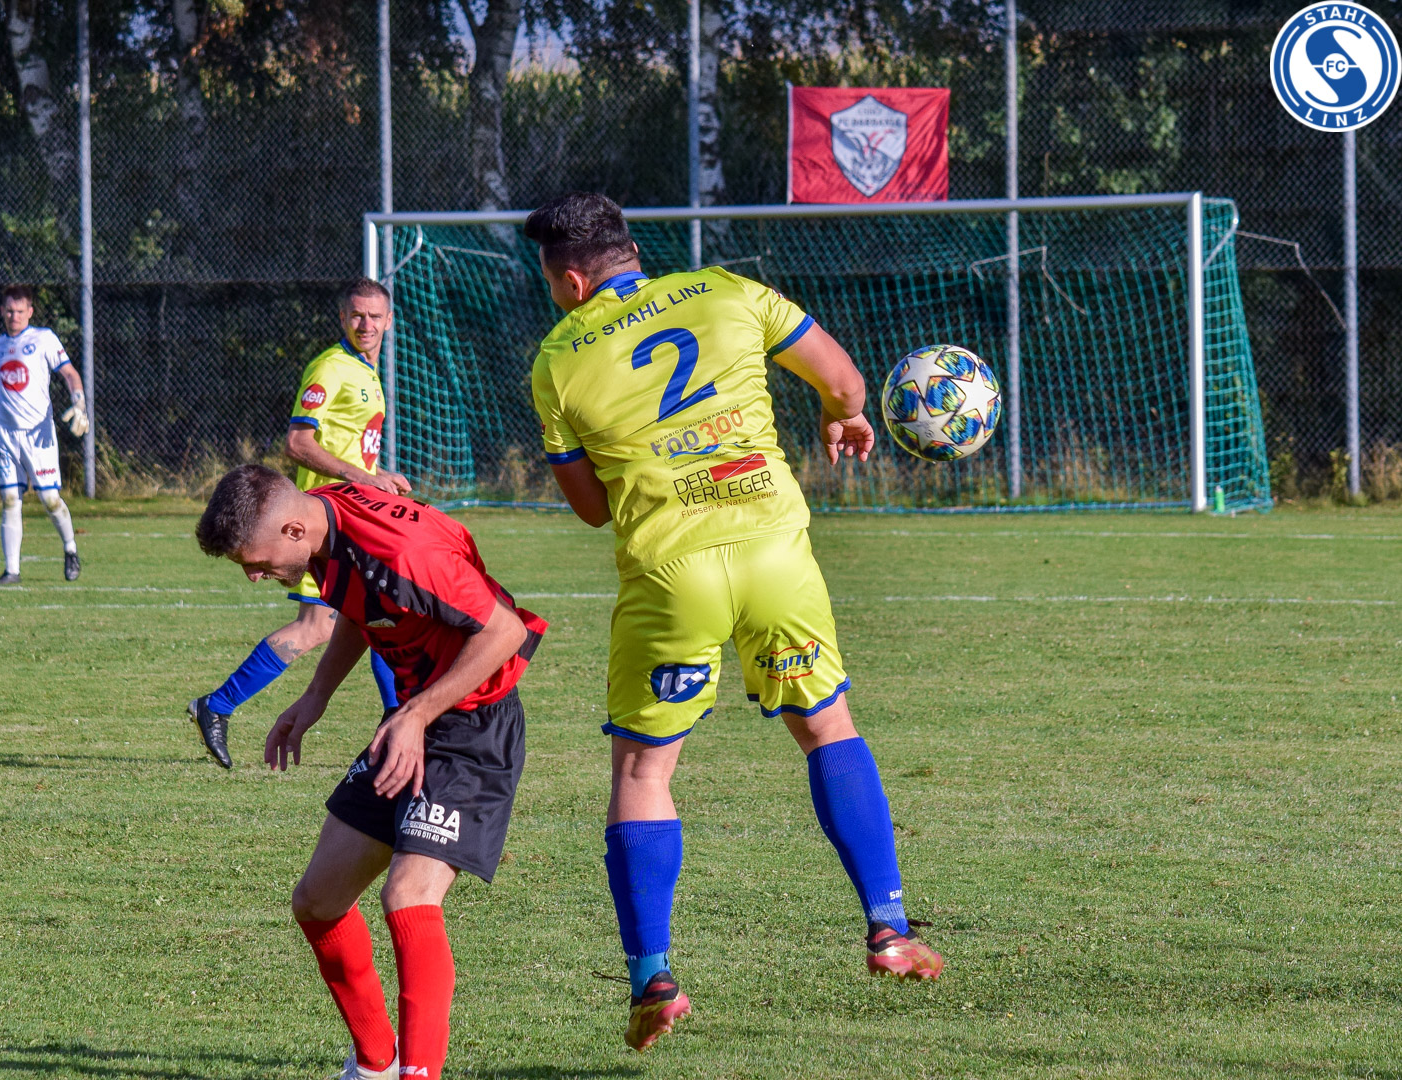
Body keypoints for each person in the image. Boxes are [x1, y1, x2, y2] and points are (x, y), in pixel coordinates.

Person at [525, 192, 944, 1052]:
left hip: (671, 573)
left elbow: (592, 510)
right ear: (631, 251)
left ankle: (654, 978)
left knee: (643, 771)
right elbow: (843, 381)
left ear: (571, 281)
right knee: (828, 728)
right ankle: (889, 929)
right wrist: (844, 415)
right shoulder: (726, 289)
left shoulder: (558, 360)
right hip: (771, 550)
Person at [195, 464, 546, 1080]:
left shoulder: (404, 553)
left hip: (472, 725)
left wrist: (417, 713)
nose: (254, 576)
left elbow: (504, 631)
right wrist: (316, 697)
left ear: (292, 528)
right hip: (412, 718)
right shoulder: (323, 524)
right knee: (318, 901)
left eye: (256, 562)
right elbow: (362, 608)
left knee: (407, 896)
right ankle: (376, 1064)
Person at [187, 279, 410, 768]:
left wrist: (376, 478)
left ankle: (398, 719)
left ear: (389, 321)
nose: (366, 324)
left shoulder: (366, 371)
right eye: (357, 315)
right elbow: (298, 442)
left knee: (373, 611)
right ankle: (218, 705)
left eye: (375, 316)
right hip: (321, 527)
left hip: (352, 517)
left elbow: (350, 446)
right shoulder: (330, 367)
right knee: (339, 620)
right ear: (342, 318)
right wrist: (362, 478)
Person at [0, 285, 87, 586]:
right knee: (10, 498)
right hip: (5, 434)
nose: (14, 316)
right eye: (9, 310)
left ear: (30, 312)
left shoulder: (44, 339)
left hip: (38, 434)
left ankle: (70, 548)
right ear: (2, 312)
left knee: (50, 500)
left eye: (20, 311)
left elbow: (69, 373)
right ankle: (12, 571)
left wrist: (79, 402)